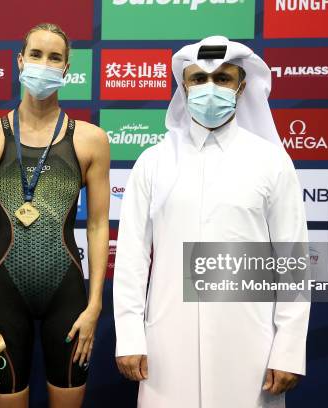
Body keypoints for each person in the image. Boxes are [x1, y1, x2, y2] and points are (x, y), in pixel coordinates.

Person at [113, 36, 310, 407]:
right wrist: (129, 337)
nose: (210, 89)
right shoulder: (153, 162)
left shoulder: (271, 162)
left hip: (250, 345)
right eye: (198, 79)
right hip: (167, 344)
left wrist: (288, 348)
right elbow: (131, 260)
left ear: (242, 85)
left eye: (222, 78)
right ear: (183, 85)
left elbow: (292, 260)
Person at [0, 23, 110, 408]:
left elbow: (97, 227)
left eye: (55, 57)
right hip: (6, 294)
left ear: (66, 68)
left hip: (69, 296)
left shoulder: (91, 139)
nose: (44, 64)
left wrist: (94, 307)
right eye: (37, 55)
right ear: (20, 61)